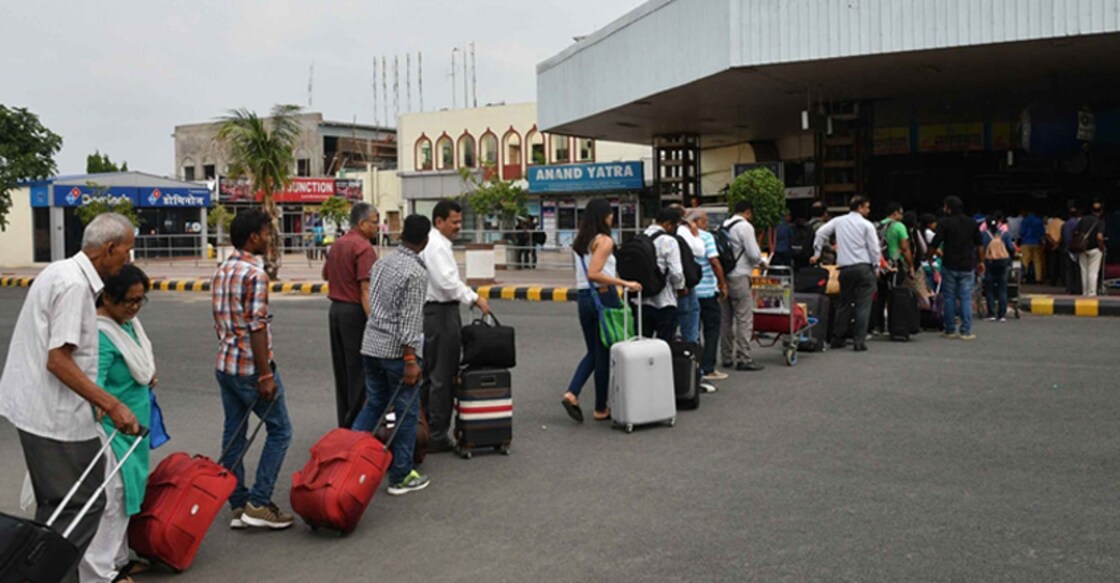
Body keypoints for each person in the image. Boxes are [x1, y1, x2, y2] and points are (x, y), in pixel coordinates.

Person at [0, 213, 140, 583]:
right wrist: (111, 403)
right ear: (108, 249)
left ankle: (34, 568)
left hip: (35, 408)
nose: (128, 260)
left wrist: (93, 398)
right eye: (126, 252)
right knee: (85, 503)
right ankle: (42, 574)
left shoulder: (59, 271)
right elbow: (58, 360)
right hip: (52, 417)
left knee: (58, 506)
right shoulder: (74, 286)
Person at [212, 208, 294, 530]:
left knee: (234, 436)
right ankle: (259, 502)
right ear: (253, 238)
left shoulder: (222, 270)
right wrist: (264, 374)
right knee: (281, 430)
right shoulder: (255, 275)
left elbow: (221, 320)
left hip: (225, 364)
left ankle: (237, 504)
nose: (269, 238)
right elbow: (257, 327)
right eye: (266, 233)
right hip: (250, 368)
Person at [83, 265, 156, 583]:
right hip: (112, 431)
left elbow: (138, 363)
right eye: (129, 300)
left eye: (141, 300)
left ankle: (119, 559)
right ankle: (100, 573)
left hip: (134, 430)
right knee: (111, 500)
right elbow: (90, 384)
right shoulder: (99, 334)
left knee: (127, 496)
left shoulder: (127, 324)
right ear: (108, 298)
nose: (135, 307)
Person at [350, 215, 433, 495]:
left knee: (374, 405)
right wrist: (410, 360)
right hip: (398, 353)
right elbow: (410, 321)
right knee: (406, 412)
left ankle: (348, 459)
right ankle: (400, 475)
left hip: (371, 345)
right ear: (426, 240)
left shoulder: (382, 262)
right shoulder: (416, 272)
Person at [420, 200, 491, 453]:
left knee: (431, 375)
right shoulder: (437, 246)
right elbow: (448, 284)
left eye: (460, 221)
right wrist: (474, 297)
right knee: (443, 375)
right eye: (454, 221)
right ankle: (437, 434)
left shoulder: (436, 243)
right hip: (441, 313)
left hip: (434, 313)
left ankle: (426, 429)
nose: (458, 226)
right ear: (439, 221)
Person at [563, 199, 642, 423]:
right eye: (610, 214)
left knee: (594, 351)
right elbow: (594, 273)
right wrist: (625, 283)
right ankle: (599, 408)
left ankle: (572, 393)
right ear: (603, 216)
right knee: (604, 352)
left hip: (584, 298)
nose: (612, 217)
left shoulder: (580, 242)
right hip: (604, 296)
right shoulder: (604, 241)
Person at [322, 202, 379, 428]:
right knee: (359, 372)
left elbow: (326, 274)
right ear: (362, 223)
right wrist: (375, 322)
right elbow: (365, 290)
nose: (377, 227)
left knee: (343, 369)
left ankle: (344, 422)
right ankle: (358, 424)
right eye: (374, 223)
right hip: (354, 312)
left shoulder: (338, 244)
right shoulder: (363, 248)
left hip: (335, 311)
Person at [810, 195, 880, 351]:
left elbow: (821, 233)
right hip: (863, 267)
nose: (868, 210)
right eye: (867, 207)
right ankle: (859, 341)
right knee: (863, 304)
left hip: (845, 268)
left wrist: (817, 252)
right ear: (860, 207)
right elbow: (874, 249)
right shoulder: (866, 225)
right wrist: (876, 267)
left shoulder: (838, 221)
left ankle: (837, 338)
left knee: (844, 304)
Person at [928, 195, 984, 340]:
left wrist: (929, 257)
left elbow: (935, 242)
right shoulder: (972, 223)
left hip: (949, 264)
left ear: (949, 208)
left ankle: (950, 329)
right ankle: (966, 330)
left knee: (949, 298)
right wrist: (981, 262)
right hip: (967, 265)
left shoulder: (944, 223)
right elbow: (979, 245)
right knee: (966, 298)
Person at [720, 201, 766, 370]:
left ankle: (726, 356)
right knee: (743, 318)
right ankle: (744, 358)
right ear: (747, 212)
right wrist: (761, 263)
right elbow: (754, 254)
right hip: (740, 276)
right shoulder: (745, 227)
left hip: (724, 276)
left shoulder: (724, 225)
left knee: (725, 319)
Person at [686, 208, 729, 382]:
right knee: (712, 329)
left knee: (692, 331)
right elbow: (714, 260)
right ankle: (708, 366)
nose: (707, 223)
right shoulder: (706, 237)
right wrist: (722, 283)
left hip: (690, 291)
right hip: (707, 291)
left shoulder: (681, 236)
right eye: (704, 220)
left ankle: (693, 366)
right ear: (696, 222)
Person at [642, 207, 686, 340]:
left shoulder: (641, 237)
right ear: (668, 224)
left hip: (642, 300)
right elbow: (676, 273)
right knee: (665, 345)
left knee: (643, 344)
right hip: (665, 301)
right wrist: (680, 288)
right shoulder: (669, 241)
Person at [871, 202, 912, 335]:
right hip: (894, 263)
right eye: (900, 212)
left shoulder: (876, 226)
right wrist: (910, 265)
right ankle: (893, 324)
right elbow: (905, 248)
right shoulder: (899, 226)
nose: (902, 215)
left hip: (879, 263)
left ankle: (878, 325)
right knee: (894, 294)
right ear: (895, 213)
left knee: (880, 295)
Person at [675, 207, 706, 343]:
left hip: (679, 279)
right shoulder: (683, 231)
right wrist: (696, 235)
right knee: (690, 313)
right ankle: (690, 347)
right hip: (684, 280)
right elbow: (700, 251)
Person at [981, 215, 1016, 322]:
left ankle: (991, 313)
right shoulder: (1005, 235)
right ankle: (1002, 314)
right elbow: (1011, 248)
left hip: (989, 264)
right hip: (1003, 264)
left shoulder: (984, 235)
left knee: (989, 289)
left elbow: (980, 249)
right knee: (1002, 288)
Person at [1075, 201, 1106, 297]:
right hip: (1095, 249)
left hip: (1082, 248)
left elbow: (1076, 232)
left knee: (1083, 271)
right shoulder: (1100, 222)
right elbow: (1099, 237)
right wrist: (1101, 247)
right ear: (1101, 211)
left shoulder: (1083, 220)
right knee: (1093, 271)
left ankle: (1085, 292)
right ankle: (1092, 292)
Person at [1018, 208, 1045, 283]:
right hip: (1036, 242)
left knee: (1025, 261)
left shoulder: (1025, 220)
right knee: (1037, 261)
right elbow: (1042, 233)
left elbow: (1021, 232)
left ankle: (1024, 277)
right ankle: (1038, 279)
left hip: (1026, 242)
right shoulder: (1039, 221)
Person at [1062, 205, 1082, 294]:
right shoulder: (1078, 223)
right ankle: (1077, 287)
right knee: (1077, 269)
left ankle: (1069, 287)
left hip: (1068, 248)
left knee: (1069, 270)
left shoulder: (1065, 224)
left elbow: (1064, 237)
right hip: (1076, 248)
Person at [1044, 211, 1065, 287]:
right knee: (1061, 263)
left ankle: (1052, 281)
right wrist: (1057, 243)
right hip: (1060, 245)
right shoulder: (1063, 223)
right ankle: (1063, 280)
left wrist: (1053, 243)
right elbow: (1063, 235)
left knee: (1052, 264)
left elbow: (1047, 234)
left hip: (1051, 246)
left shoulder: (1050, 223)